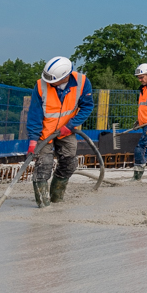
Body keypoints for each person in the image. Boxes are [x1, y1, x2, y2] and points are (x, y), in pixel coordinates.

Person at [25, 56, 94, 207]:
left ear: (65, 76)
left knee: (69, 163)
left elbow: (87, 107)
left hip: (66, 130)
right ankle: (43, 205)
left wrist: (70, 126)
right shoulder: (40, 86)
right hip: (45, 132)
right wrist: (33, 140)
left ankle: (56, 198)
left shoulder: (82, 82)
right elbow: (34, 115)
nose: (48, 83)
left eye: (52, 81)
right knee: (44, 165)